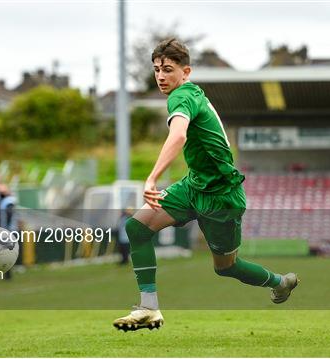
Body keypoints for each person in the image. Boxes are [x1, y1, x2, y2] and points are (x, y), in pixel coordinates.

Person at [113, 38, 299, 332]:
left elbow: (178, 136)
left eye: (168, 69)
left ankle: (280, 282)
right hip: (193, 187)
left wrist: (151, 177)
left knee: (226, 267)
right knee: (137, 227)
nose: (161, 76)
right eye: (157, 69)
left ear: (186, 72)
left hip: (221, 197)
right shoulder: (189, 94)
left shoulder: (182, 96)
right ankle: (148, 307)